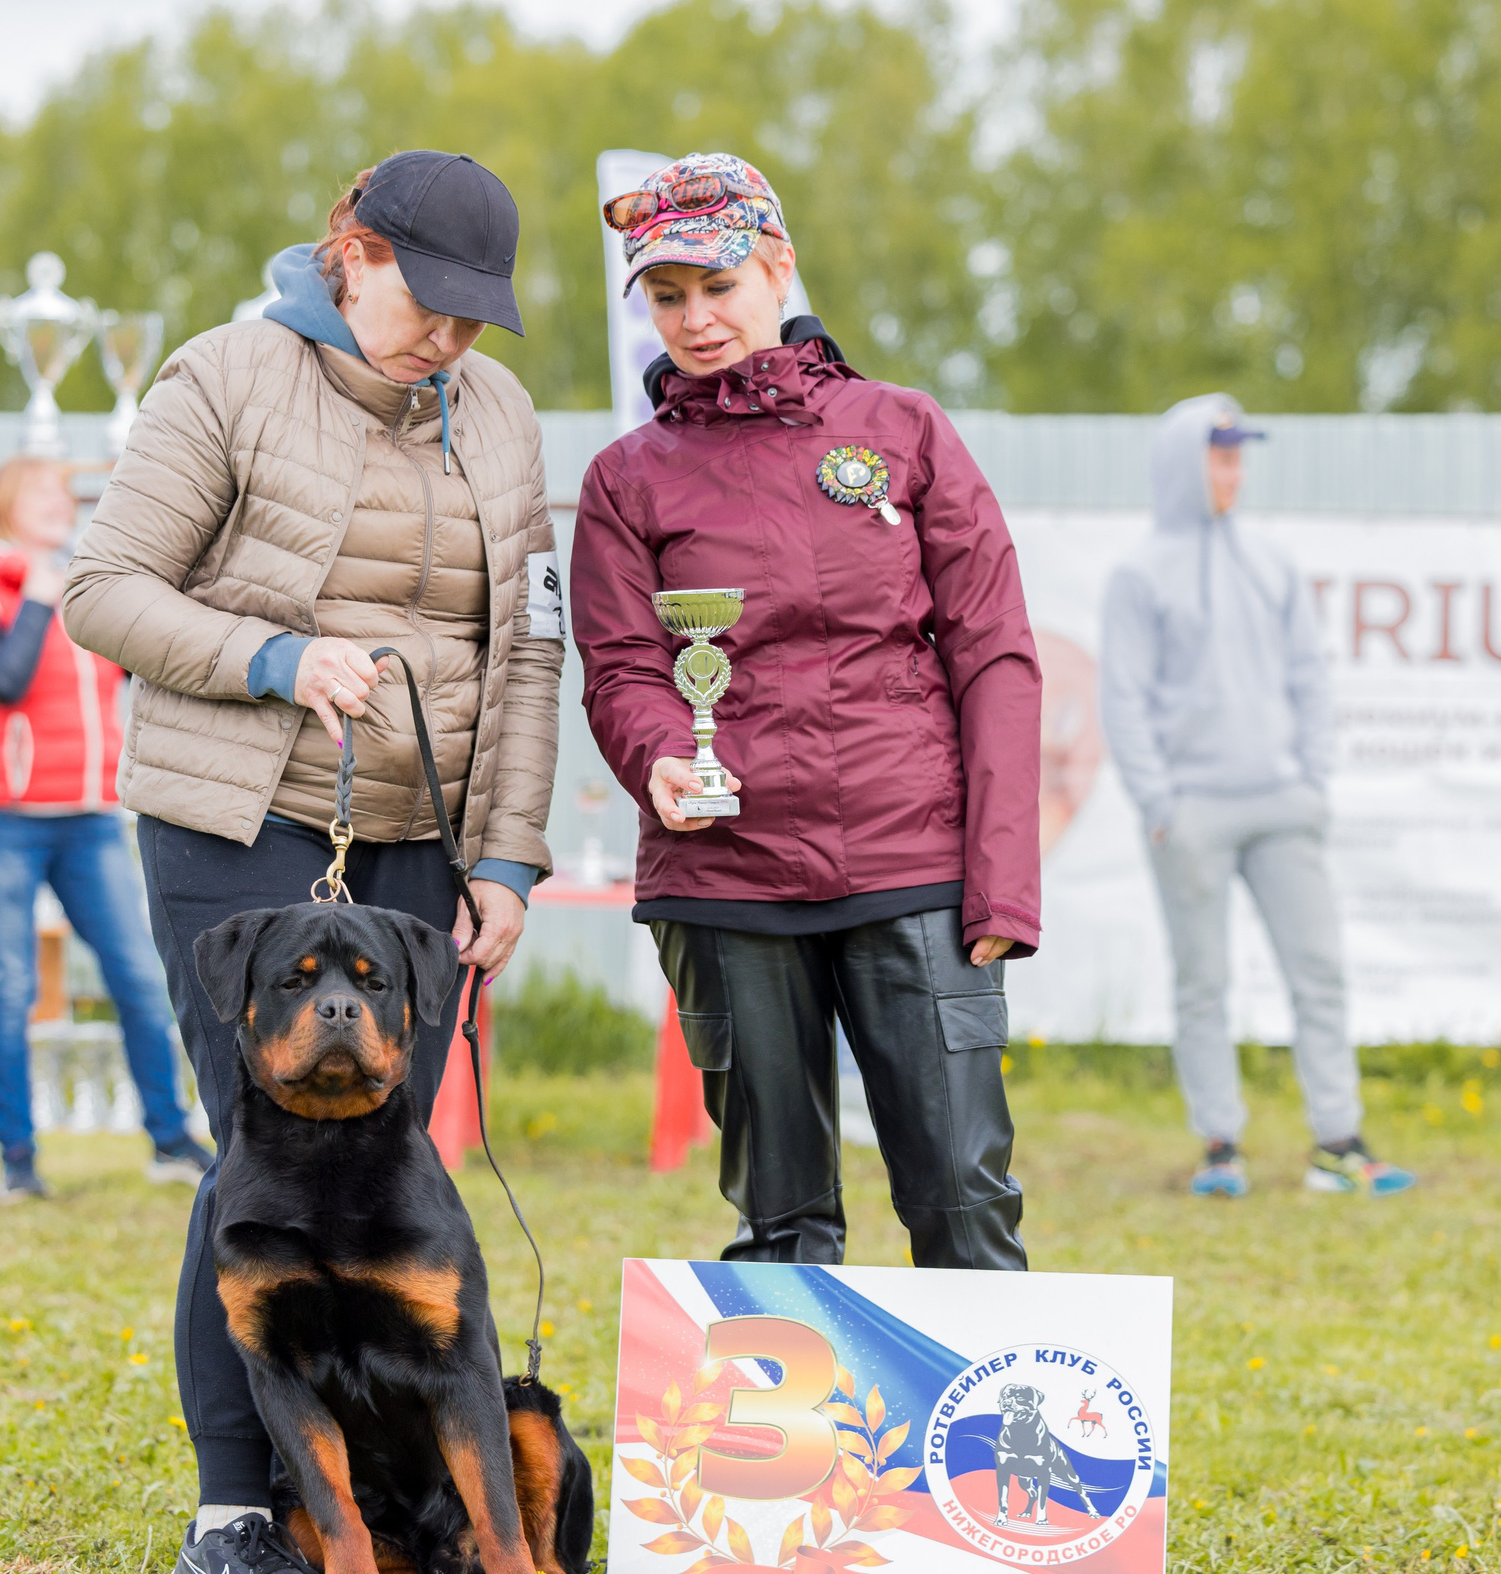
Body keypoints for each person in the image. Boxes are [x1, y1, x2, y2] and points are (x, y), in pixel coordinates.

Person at [62, 150, 562, 1574]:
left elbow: (529, 653)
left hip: (418, 833)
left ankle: (389, 1508)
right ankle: (234, 1518)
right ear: (352, 251)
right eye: (428, 303)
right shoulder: (224, 377)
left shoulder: (501, 411)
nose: (448, 339)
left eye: (475, 316)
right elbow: (102, 590)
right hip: (240, 819)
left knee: (390, 1159)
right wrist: (275, 658)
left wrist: (507, 855)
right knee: (261, 1162)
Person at [572, 152, 1042, 1272]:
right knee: (781, 1228)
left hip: (912, 865)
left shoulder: (905, 428)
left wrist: (1003, 873)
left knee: (964, 1202)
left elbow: (993, 654)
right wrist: (659, 759)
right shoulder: (625, 477)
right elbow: (623, 665)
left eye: (717, 286)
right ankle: (789, 1397)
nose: (694, 319)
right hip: (723, 875)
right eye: (666, 296)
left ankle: (983, 1401)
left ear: (778, 266)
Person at [1097, 395, 1414, 1199]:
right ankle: (1220, 1148)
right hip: (1192, 814)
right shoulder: (1139, 573)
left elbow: (1310, 676)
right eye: (1221, 456)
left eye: (1239, 458)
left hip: (1282, 804)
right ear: (1186, 463)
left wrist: (1312, 782)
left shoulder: (1272, 561)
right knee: (1203, 983)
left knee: (1320, 972)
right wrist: (1159, 805)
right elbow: (1123, 699)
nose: (1234, 473)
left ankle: (1338, 1144)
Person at [0, 457, 208, 1204]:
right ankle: (17, 1158)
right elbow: (0, 681)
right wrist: (36, 601)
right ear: (3, 502)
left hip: (87, 817)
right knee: (9, 988)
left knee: (138, 975)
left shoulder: (81, 587)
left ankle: (170, 1139)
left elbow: (127, 673)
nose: (61, 503)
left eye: (65, 494)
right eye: (42, 491)